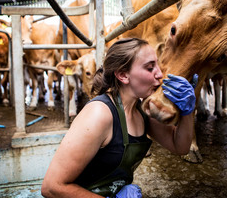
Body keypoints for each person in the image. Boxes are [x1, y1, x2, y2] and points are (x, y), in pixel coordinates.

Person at [41, 38, 197, 198]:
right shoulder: (99, 114)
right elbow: (51, 187)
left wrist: (187, 111)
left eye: (157, 65)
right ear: (123, 75)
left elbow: (180, 147)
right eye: (150, 68)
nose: (159, 74)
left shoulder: (142, 111)